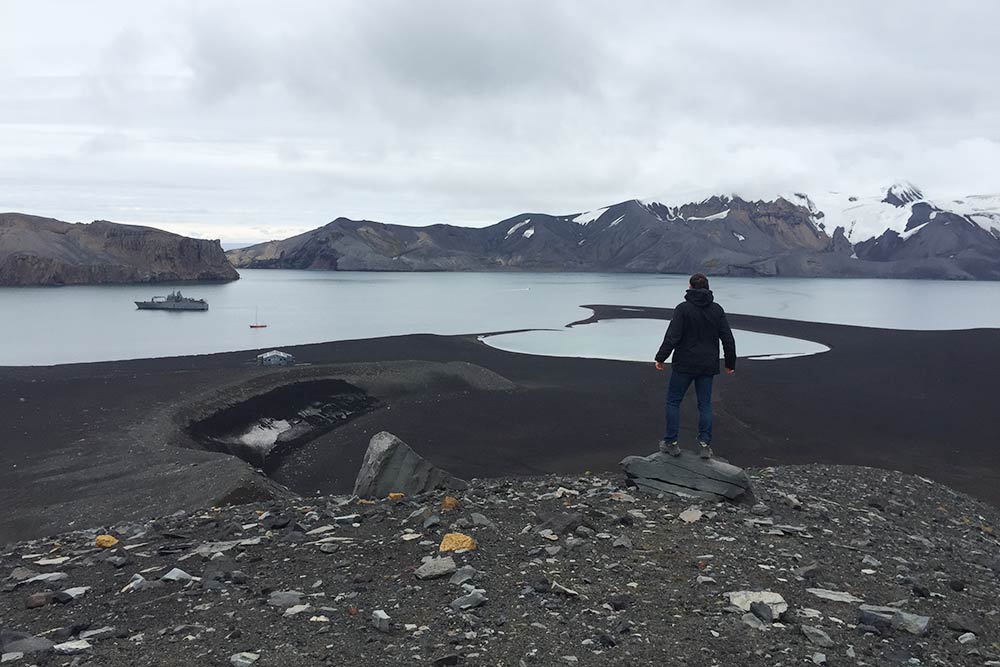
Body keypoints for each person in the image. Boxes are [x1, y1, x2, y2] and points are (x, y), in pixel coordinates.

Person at [654, 273, 736, 459]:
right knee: (705, 405)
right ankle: (705, 446)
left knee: (673, 401)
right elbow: (727, 338)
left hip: (684, 364)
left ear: (690, 287)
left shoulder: (683, 309)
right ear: (707, 287)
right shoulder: (717, 310)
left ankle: (671, 443)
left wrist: (660, 358)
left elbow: (672, 337)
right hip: (707, 365)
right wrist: (730, 363)